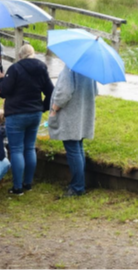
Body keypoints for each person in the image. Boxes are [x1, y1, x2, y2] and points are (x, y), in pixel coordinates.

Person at [0, 44, 54, 195]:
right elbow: (51, 91)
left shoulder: (15, 69)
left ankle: (17, 187)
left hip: (16, 114)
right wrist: (43, 107)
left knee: (16, 150)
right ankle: (27, 183)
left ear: (20, 55)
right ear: (33, 54)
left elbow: (4, 91)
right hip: (34, 113)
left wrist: (1, 80)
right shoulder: (42, 68)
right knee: (29, 148)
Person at [48, 66, 98, 198]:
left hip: (70, 115)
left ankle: (77, 187)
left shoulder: (70, 67)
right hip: (82, 113)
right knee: (78, 148)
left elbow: (65, 91)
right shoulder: (89, 68)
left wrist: (54, 108)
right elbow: (95, 91)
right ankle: (78, 184)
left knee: (73, 150)